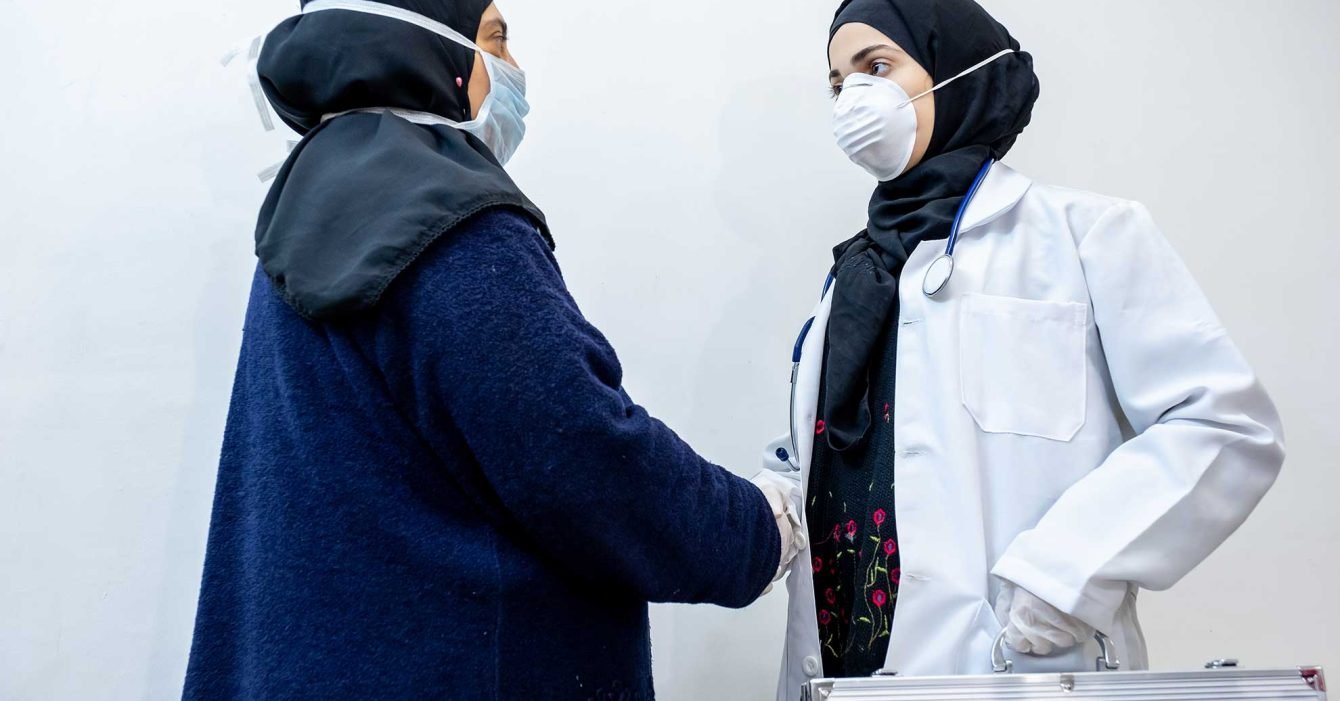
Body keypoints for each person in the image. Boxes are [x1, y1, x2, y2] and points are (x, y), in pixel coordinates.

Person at [182, 1, 801, 699]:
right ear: (425, 43)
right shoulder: (447, 223)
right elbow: (586, 459)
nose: (514, 70)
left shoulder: (311, 210)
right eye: (496, 40)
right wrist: (761, 528)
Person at [758, 0, 1286, 697]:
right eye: (837, 83)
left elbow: (1223, 425)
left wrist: (1065, 572)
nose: (852, 99)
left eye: (876, 67)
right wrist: (766, 508)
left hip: (1014, 664)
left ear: (958, 73)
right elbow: (827, 461)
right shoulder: (850, 282)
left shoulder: (1084, 236)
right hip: (840, 674)